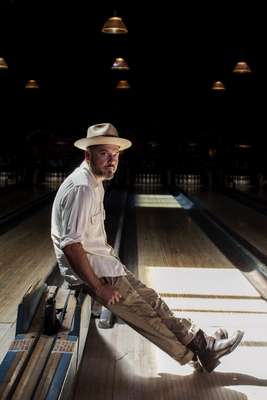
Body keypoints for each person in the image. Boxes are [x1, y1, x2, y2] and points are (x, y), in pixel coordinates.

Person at [51, 123, 244, 373]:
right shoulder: (82, 188)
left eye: (115, 155)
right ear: (87, 155)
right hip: (95, 273)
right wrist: (99, 287)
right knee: (145, 315)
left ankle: (201, 342)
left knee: (153, 301)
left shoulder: (93, 181)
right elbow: (71, 245)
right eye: (104, 154)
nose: (112, 161)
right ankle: (197, 354)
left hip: (105, 264)